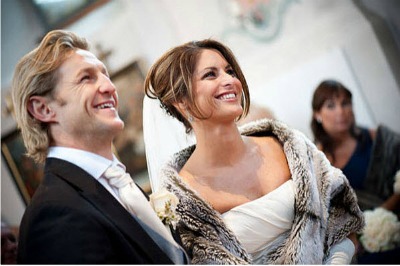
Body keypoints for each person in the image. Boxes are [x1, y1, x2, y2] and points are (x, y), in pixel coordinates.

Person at [143, 39, 364, 264]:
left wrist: (338, 259)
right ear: (181, 102)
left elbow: (343, 216)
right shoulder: (182, 199)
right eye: (211, 74)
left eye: (230, 71)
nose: (229, 80)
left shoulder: (288, 144)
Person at [11, 30, 186, 264]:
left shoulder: (119, 183)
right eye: (86, 78)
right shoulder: (55, 213)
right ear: (44, 109)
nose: (109, 87)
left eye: (105, 74)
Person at [311, 80, 400, 213]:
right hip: (363, 232)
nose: (340, 111)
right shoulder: (316, 164)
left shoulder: (378, 138)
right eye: (331, 106)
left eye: (345, 103)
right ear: (317, 114)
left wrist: (387, 207)